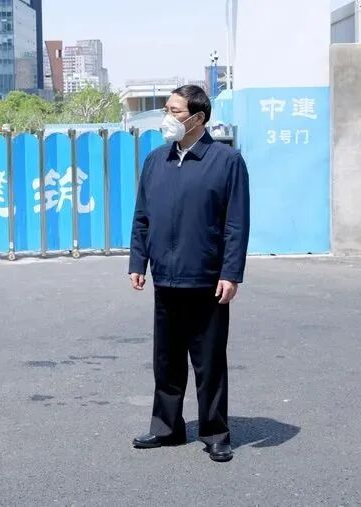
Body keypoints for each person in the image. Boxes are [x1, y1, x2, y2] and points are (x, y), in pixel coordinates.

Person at [128, 85, 250, 462]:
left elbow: (236, 223)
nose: (168, 117)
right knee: (166, 360)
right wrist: (138, 263)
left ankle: (215, 432)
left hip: (206, 279)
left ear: (198, 118)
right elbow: (143, 217)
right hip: (166, 278)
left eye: (175, 111)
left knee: (208, 362)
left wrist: (231, 273)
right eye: (167, 109)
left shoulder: (227, 161)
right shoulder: (156, 161)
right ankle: (166, 427)